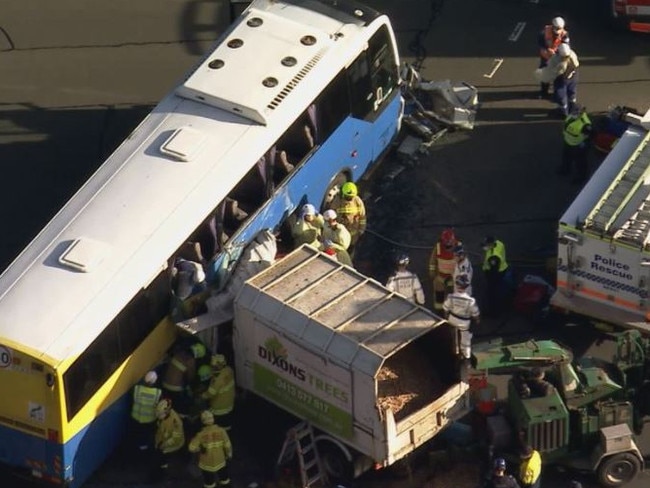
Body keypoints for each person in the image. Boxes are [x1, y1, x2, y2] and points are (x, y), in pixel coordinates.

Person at [189, 410, 233, 488]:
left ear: (202, 422)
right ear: (213, 419)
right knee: (224, 478)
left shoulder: (200, 434)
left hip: (206, 463)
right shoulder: (221, 431)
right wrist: (229, 454)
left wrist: (199, 448)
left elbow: (191, 448)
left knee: (209, 482)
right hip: (220, 460)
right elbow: (227, 445)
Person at [162, 340, 207, 416]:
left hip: (165, 385)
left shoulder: (179, 353)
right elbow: (191, 378)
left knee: (169, 409)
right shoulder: (191, 361)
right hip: (176, 390)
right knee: (181, 410)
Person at [443, 274, 480, 361]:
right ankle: (466, 355)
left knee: (453, 336)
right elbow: (475, 313)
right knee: (465, 339)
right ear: (466, 286)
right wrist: (477, 320)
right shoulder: (470, 301)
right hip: (464, 323)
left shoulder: (451, 297)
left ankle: (454, 350)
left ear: (456, 284)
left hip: (452, 319)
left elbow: (445, 308)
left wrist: (446, 318)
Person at [557, 103, 593, 184]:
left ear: (580, 113)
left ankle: (581, 177)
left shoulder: (585, 124)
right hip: (568, 142)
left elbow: (590, 136)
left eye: (575, 113)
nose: (572, 114)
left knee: (580, 162)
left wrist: (583, 145)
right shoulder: (571, 116)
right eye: (572, 112)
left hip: (578, 146)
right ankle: (565, 169)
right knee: (566, 158)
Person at [536, 16, 570, 98]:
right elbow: (540, 43)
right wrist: (547, 49)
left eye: (559, 29)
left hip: (557, 58)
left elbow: (566, 46)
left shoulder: (565, 35)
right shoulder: (544, 32)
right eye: (556, 28)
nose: (557, 31)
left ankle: (557, 93)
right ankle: (544, 92)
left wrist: (558, 52)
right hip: (546, 57)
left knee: (558, 76)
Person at [201, 354, 236, 431]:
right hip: (229, 404)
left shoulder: (217, 380)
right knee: (227, 425)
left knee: (218, 427)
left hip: (219, 409)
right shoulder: (229, 370)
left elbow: (210, 394)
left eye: (214, 366)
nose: (213, 367)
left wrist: (201, 395)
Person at [153, 398, 186, 481]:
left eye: (160, 414)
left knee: (163, 455)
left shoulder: (175, 422)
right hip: (162, 439)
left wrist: (164, 445)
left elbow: (175, 438)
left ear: (167, 411)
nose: (159, 415)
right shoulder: (164, 415)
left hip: (172, 444)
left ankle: (164, 470)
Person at [428, 228, 460, 312]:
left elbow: (463, 262)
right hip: (441, 277)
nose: (448, 248)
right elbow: (432, 260)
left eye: (450, 246)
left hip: (454, 277)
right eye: (446, 246)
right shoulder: (438, 247)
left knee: (453, 293)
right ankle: (439, 309)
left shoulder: (459, 247)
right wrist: (432, 271)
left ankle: (452, 309)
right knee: (439, 293)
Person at [131, 370, 162, 452]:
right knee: (146, 436)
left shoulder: (137, 389)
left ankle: (137, 447)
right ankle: (145, 449)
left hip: (136, 417)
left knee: (137, 434)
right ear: (155, 381)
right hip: (149, 419)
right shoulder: (158, 393)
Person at [481, 236, 511, 318]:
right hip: (502, 269)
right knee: (499, 288)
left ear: (491, 244)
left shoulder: (494, 257)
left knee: (492, 293)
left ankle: (493, 312)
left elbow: (493, 270)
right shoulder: (499, 243)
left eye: (486, 245)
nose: (485, 246)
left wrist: (489, 278)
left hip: (496, 274)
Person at [336, 181, 367, 253]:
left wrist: (361, 230)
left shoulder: (357, 201)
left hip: (354, 234)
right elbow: (333, 215)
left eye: (351, 197)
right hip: (340, 234)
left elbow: (362, 217)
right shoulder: (338, 201)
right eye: (348, 197)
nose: (350, 198)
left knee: (350, 251)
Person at [551, 43, 580, 117]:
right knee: (563, 95)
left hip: (567, 77)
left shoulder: (571, 56)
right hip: (566, 76)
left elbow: (574, 66)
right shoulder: (557, 57)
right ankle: (566, 110)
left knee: (567, 94)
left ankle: (568, 110)